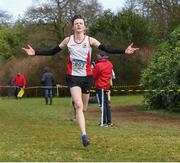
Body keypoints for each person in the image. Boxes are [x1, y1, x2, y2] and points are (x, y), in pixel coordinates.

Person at [22, 15, 139, 147]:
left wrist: (124, 51)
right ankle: (84, 135)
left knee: (84, 108)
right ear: (72, 27)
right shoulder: (68, 40)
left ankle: (81, 118)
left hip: (87, 78)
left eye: (81, 23)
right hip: (73, 77)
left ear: (84, 26)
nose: (78, 25)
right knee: (78, 105)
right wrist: (35, 52)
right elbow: (53, 51)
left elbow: (106, 48)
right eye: (76, 23)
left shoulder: (90, 40)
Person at [92, 53, 114, 127]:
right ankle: (109, 122)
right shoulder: (110, 64)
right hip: (107, 86)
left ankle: (103, 122)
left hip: (100, 86)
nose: (97, 57)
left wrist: (93, 68)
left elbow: (94, 76)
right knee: (107, 105)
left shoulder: (98, 65)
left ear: (101, 57)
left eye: (98, 56)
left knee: (102, 105)